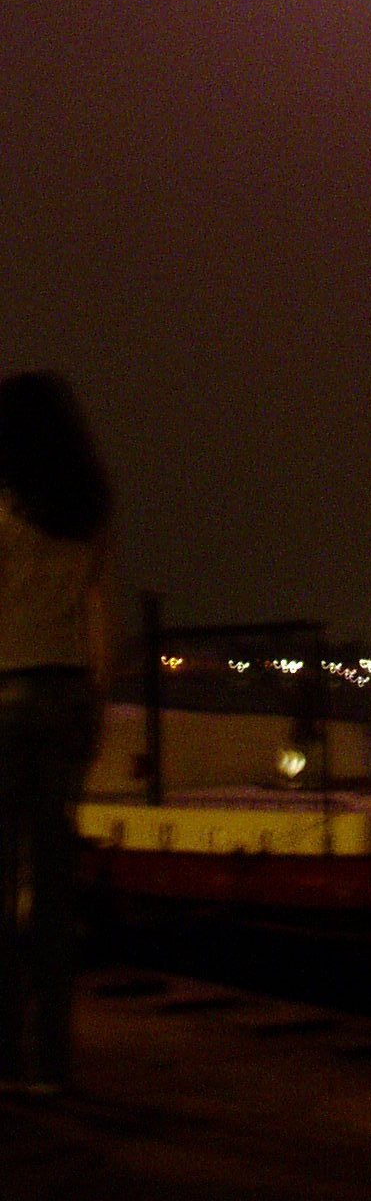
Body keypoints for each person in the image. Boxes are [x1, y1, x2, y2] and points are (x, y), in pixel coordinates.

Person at [0, 371, 115, 1095]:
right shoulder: (90, 506)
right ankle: (53, 1060)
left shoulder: (2, 505)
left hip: (6, 692)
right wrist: (96, 702)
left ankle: (5, 1056)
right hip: (70, 692)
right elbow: (98, 609)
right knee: (53, 889)